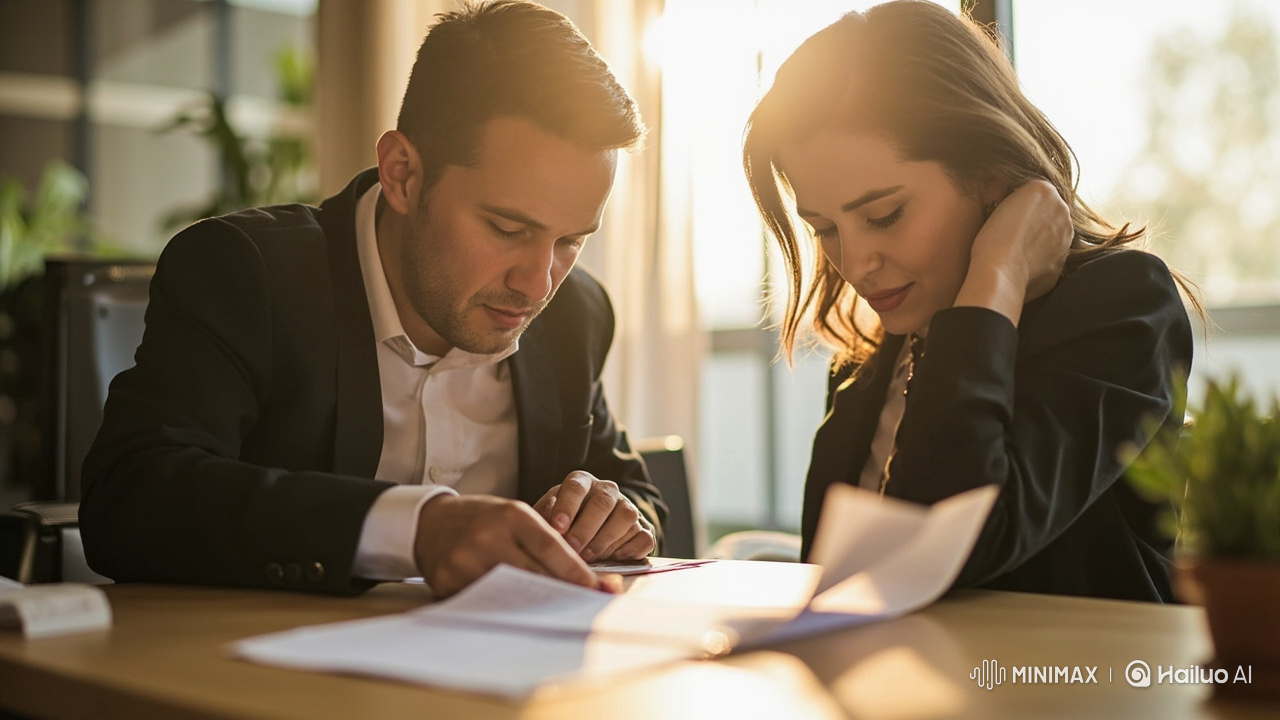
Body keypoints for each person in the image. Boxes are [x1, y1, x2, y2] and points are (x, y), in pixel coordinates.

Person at [80, 0, 665, 599]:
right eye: (507, 229)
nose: (538, 284)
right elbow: (130, 497)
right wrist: (417, 527)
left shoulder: (575, 314)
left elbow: (635, 496)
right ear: (401, 173)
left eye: (570, 241)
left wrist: (609, 517)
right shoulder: (247, 273)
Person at [743, 0, 1195, 602]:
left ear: (990, 175)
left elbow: (957, 548)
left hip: (1069, 665)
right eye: (825, 228)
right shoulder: (871, 362)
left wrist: (997, 277)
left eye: (885, 215)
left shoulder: (1122, 306)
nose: (854, 264)